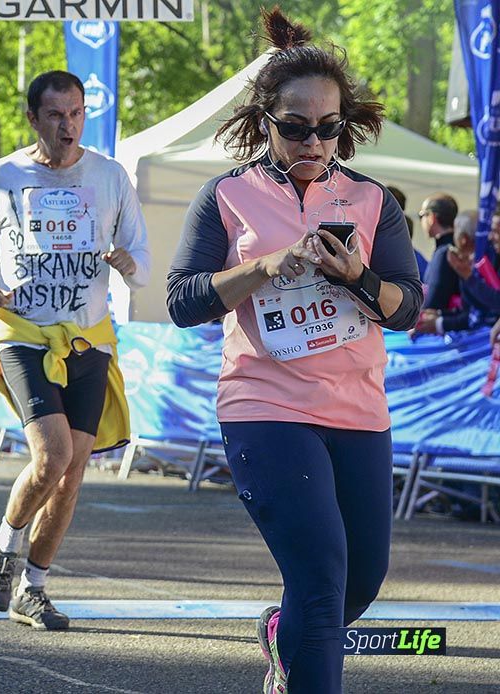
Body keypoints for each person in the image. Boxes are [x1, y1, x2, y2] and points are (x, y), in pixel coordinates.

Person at [167, 10, 422, 693]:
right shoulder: (227, 196)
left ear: (347, 125)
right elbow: (183, 300)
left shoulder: (371, 201)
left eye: (330, 127)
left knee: (359, 580)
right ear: (265, 120)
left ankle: (283, 634)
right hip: (265, 405)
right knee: (318, 576)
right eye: (296, 126)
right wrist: (260, 268)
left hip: (359, 412)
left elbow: (408, 308)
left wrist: (357, 279)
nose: (315, 140)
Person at [0, 70, 149, 631]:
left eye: (77, 113)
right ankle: (4, 544)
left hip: (89, 337)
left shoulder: (109, 176)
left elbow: (140, 253)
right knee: (53, 456)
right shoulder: (4, 175)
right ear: (34, 118)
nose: (68, 126)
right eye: (56, 116)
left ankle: (33, 588)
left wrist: (131, 266)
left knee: (72, 472)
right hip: (23, 333)